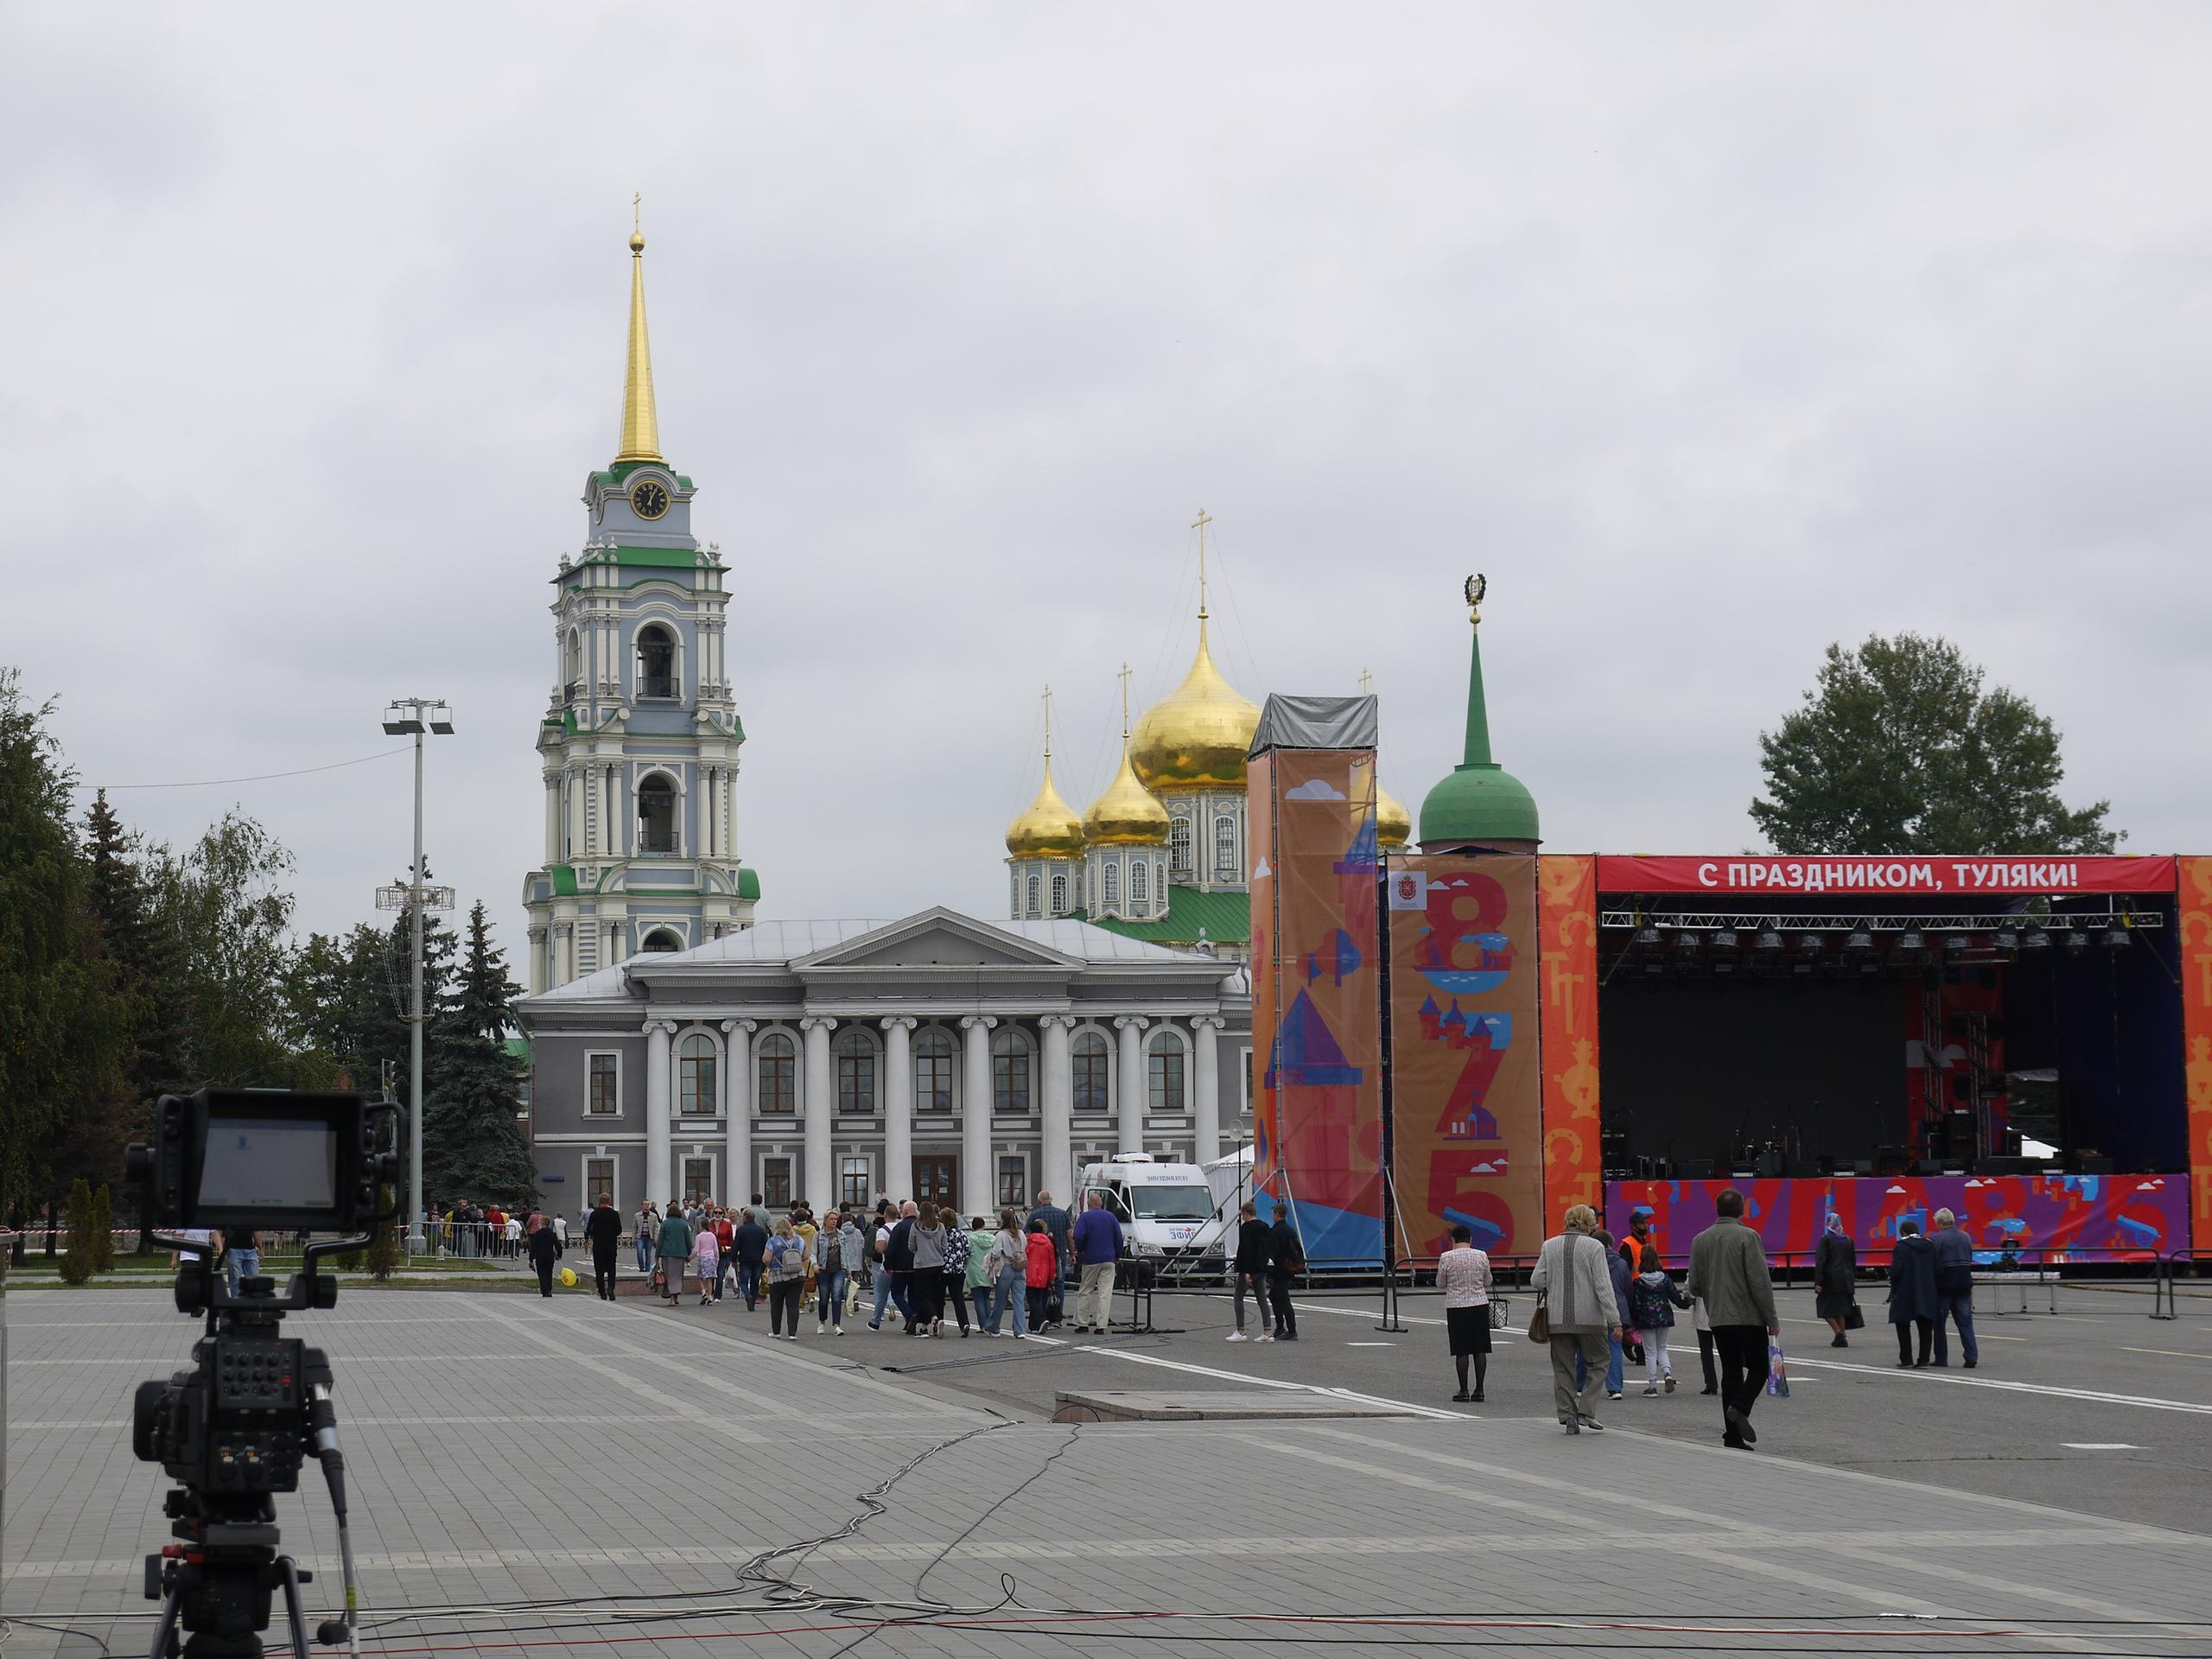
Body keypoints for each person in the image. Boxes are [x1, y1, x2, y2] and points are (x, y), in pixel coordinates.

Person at [1683, 1188, 1780, 1451]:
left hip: (1718, 1318)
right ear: (1742, 1210)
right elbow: (1760, 1282)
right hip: (1748, 1317)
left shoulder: (1700, 1240)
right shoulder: (1749, 1237)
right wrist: (1771, 1318)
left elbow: (1695, 1285)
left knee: (1731, 1372)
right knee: (1760, 1367)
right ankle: (1740, 1408)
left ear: (1717, 1209)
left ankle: (1732, 1436)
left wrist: (1714, 1295)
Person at [1531, 1204, 1620, 1433]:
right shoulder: (1595, 1247)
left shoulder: (1549, 1245)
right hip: (1591, 1319)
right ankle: (1586, 1410)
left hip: (1557, 1320)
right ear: (1589, 1223)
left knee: (1563, 1368)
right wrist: (1615, 1321)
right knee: (1599, 1363)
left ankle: (1568, 1416)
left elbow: (1537, 1280)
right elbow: (1603, 1286)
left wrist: (1556, 1282)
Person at [1436, 1222, 1494, 1402]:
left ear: (1453, 1240)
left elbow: (1440, 1283)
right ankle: (1480, 1390)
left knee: (1461, 1349)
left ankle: (1463, 1390)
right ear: (1470, 1239)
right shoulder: (1481, 1255)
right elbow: (1488, 1281)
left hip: (1456, 1306)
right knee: (1480, 1348)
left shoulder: (1446, 1257)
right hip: (1479, 1305)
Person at [1575, 1229, 1630, 1401]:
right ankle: (1615, 1388)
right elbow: (1627, 1289)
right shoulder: (1621, 1263)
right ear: (1610, 1244)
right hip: (1616, 1308)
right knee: (1614, 1347)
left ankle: (1580, 1385)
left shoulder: (1587, 1260)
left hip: (1591, 1308)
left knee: (1584, 1348)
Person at [1626, 1255, 1691, 1394]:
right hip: (1664, 1318)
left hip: (1646, 1319)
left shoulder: (1639, 1282)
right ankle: (1667, 1372)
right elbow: (1675, 1297)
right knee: (1662, 1348)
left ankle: (1652, 1386)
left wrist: (1633, 1320)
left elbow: (1636, 1303)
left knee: (1650, 1352)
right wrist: (1686, 1303)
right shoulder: (1665, 1279)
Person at [1929, 1207, 1979, 1369]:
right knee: (1965, 1323)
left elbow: (1933, 1263)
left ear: (1941, 1223)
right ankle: (1971, 1355)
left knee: (1939, 1324)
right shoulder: (1966, 1237)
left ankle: (1941, 1358)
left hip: (1944, 1286)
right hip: (1964, 1283)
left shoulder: (1936, 1239)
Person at [1071, 1192, 1125, 1336]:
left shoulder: (1085, 1217)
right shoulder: (1111, 1217)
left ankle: (1082, 1324)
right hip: (1109, 1259)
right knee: (1105, 1293)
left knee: (1085, 1290)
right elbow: (1119, 1238)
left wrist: (1081, 1250)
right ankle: (1101, 1326)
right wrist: (1117, 1255)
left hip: (1090, 1258)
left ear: (1089, 1204)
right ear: (1101, 1204)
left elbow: (1078, 1236)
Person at [1888, 1218, 1939, 1369]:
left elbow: (1896, 1270)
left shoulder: (1902, 1247)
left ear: (1903, 1232)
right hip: (1927, 1291)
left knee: (1902, 1324)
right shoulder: (1930, 1245)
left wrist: (1893, 1280)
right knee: (1925, 1325)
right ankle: (1923, 1360)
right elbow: (1938, 1269)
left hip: (1905, 1291)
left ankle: (1906, 1358)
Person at [1228, 1200, 1274, 1342]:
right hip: (1261, 1268)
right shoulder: (1265, 1226)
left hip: (1249, 1269)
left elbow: (1247, 1250)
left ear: (1246, 1213)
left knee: (1238, 1296)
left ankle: (1241, 1331)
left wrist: (1246, 1271)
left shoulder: (1247, 1228)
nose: (1242, 1217)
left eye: (1242, 1215)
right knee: (1262, 1299)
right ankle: (1267, 1331)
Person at [1028, 1190, 1073, 1325]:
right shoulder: (1063, 1214)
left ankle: (1042, 1317)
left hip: (1039, 1257)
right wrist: (1072, 1253)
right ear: (1051, 1199)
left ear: (1039, 1201)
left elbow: (1026, 1234)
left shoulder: (1034, 1215)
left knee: (1042, 1287)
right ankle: (1056, 1317)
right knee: (1059, 1285)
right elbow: (1070, 1235)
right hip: (1060, 1255)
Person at [1814, 1212, 1858, 1347]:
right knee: (1841, 1309)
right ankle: (1841, 1337)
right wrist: (1852, 1278)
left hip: (1830, 1280)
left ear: (1828, 1224)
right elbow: (1853, 1261)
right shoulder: (1848, 1240)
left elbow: (1821, 1261)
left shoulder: (1826, 1239)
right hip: (1846, 1279)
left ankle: (1839, 1333)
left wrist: (1818, 1281)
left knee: (1824, 1307)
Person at [906, 1205, 949, 1336]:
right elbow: (945, 1246)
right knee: (937, 1295)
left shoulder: (915, 1226)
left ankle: (933, 1317)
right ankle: (926, 1326)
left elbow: (911, 1246)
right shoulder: (940, 1226)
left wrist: (919, 1251)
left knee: (923, 1296)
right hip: (938, 1264)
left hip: (921, 1265)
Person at [816, 1208, 859, 1335]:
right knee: (824, 1297)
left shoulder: (841, 1235)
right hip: (823, 1269)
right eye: (832, 1219)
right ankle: (822, 1322)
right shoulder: (818, 1235)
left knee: (837, 1295)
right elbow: (813, 1252)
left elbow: (846, 1254)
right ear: (825, 1221)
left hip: (839, 1269)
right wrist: (814, 1264)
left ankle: (837, 1325)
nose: (834, 1221)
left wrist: (849, 1272)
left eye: (835, 1219)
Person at [1265, 1200, 1303, 1341]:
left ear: (1276, 1214)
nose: (1272, 1216)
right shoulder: (1290, 1231)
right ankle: (1280, 1327)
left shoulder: (1275, 1231)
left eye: (1273, 1213)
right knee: (1275, 1296)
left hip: (1279, 1270)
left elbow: (1272, 1252)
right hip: (1289, 1268)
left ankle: (1291, 1330)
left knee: (1283, 1299)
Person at [764, 1218, 807, 1339]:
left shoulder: (773, 1241)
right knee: (793, 1304)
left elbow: (766, 1259)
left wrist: (771, 1265)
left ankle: (776, 1332)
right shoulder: (799, 1240)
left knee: (776, 1304)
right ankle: (792, 1333)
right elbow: (806, 1256)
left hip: (778, 1276)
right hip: (797, 1275)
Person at [938, 1205, 973, 1336]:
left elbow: (937, 1250)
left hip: (943, 1269)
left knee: (939, 1298)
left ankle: (939, 1323)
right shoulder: (962, 1234)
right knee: (958, 1298)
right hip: (959, 1270)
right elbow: (967, 1252)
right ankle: (964, 1324)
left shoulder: (941, 1234)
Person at [654, 1201, 695, 1306]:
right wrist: (688, 1254)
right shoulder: (684, 1224)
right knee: (678, 1276)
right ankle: (675, 1296)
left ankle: (672, 1298)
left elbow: (660, 1240)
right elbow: (688, 1241)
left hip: (667, 1253)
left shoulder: (665, 1224)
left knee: (669, 1276)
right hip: (680, 1254)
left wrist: (657, 1255)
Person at [584, 1192, 623, 1300]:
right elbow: (619, 1230)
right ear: (609, 1202)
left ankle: (602, 1292)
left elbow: (589, 1229)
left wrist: (594, 1234)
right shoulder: (614, 1214)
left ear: (599, 1202)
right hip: (611, 1244)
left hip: (598, 1244)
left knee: (599, 1269)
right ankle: (611, 1288)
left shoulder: (595, 1214)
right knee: (611, 1267)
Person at [1023, 1217, 1058, 1336]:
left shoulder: (1028, 1242)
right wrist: (1052, 1277)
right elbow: (1052, 1261)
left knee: (1032, 1300)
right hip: (1044, 1274)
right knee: (1040, 1299)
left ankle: (1041, 1319)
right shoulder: (1048, 1243)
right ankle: (1034, 1325)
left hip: (1030, 1273)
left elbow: (1024, 1257)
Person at [734, 1208, 769, 1311]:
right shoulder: (760, 1230)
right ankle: (753, 1300)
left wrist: (733, 1258)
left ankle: (747, 1295)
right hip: (758, 1259)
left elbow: (736, 1245)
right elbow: (765, 1245)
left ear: (745, 1218)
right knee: (755, 1281)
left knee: (743, 1281)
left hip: (745, 1259)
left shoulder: (741, 1230)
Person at [964, 1215, 996, 1330]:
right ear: (984, 1225)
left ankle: (982, 1325)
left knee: (978, 1299)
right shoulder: (992, 1239)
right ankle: (989, 1323)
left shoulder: (970, 1238)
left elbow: (967, 1253)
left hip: (974, 1270)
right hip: (988, 1270)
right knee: (987, 1298)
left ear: (973, 1227)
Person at [526, 1215, 563, 1298]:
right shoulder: (552, 1234)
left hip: (540, 1256)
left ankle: (544, 1290)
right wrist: (559, 1255)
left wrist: (531, 1259)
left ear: (542, 1223)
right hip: (550, 1256)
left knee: (541, 1273)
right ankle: (549, 1289)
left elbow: (533, 1247)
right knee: (549, 1272)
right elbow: (558, 1245)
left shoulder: (538, 1234)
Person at [1691, 1294, 1719, 1395]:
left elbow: (1691, 1288)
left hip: (1703, 1313)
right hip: (1723, 1314)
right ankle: (1734, 1381)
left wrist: (1689, 1299)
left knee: (1706, 1351)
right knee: (1727, 1351)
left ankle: (1711, 1384)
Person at [224, 1229, 261, 1300]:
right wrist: (223, 1250)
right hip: (233, 1248)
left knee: (253, 1278)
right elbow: (224, 1233)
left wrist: (260, 1247)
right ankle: (236, 1301)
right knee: (235, 1279)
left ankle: (252, 1301)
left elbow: (256, 1231)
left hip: (250, 1249)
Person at [691, 1217, 721, 1307]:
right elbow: (716, 1249)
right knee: (709, 1279)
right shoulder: (712, 1236)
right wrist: (717, 1260)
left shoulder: (699, 1237)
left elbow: (696, 1250)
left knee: (700, 1277)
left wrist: (690, 1257)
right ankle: (710, 1297)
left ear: (701, 1226)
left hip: (702, 1258)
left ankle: (703, 1292)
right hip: (711, 1258)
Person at [635, 1203, 658, 1275]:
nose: (647, 1206)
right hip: (640, 1237)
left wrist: (656, 1237)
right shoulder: (637, 1215)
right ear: (642, 1205)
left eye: (648, 1204)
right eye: (645, 1204)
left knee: (648, 1254)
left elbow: (656, 1227)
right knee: (639, 1253)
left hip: (649, 1237)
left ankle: (647, 1269)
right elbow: (634, 1227)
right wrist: (633, 1237)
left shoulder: (654, 1216)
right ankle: (641, 1268)